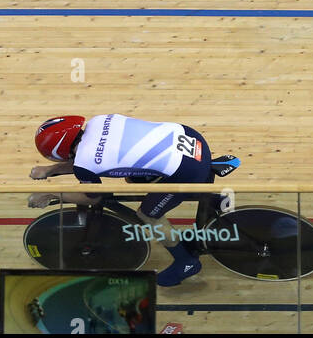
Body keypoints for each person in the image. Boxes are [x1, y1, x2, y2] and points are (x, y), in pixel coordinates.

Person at [28, 114, 237, 286]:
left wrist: (51, 195)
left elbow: (91, 197)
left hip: (188, 170)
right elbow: (87, 159)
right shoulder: (97, 121)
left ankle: (187, 262)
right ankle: (210, 197)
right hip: (191, 138)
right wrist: (49, 171)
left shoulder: (84, 162)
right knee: (132, 177)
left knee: (148, 214)